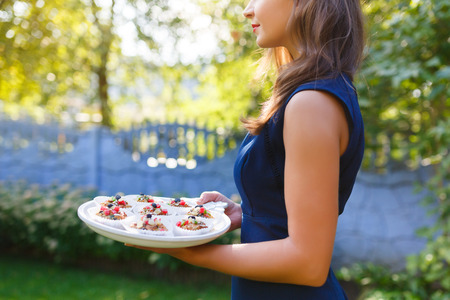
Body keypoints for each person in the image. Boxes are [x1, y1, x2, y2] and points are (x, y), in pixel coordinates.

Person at [126, 0, 366, 298]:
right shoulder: (314, 93)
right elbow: (290, 217)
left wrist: (188, 251)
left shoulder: (311, 102)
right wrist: (247, 214)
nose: (247, 9)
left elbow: (309, 264)